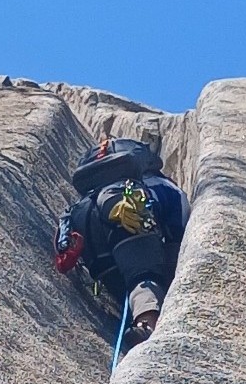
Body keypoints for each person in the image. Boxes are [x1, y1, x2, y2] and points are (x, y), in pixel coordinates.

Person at [54, 136, 190, 347]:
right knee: (144, 276)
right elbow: (179, 224)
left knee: (128, 283)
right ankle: (148, 327)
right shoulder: (156, 184)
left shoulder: (91, 195)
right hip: (127, 224)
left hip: (89, 238)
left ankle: (136, 317)